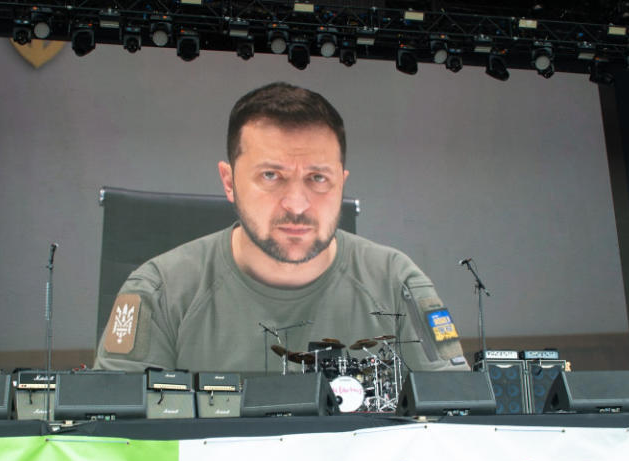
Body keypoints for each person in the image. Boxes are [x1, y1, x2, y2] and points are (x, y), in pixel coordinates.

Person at [94, 82, 468, 375]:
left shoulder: (396, 282)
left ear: (342, 182)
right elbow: (115, 446)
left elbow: (455, 422)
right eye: (271, 176)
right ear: (229, 181)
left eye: (318, 178)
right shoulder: (159, 292)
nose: (297, 204)